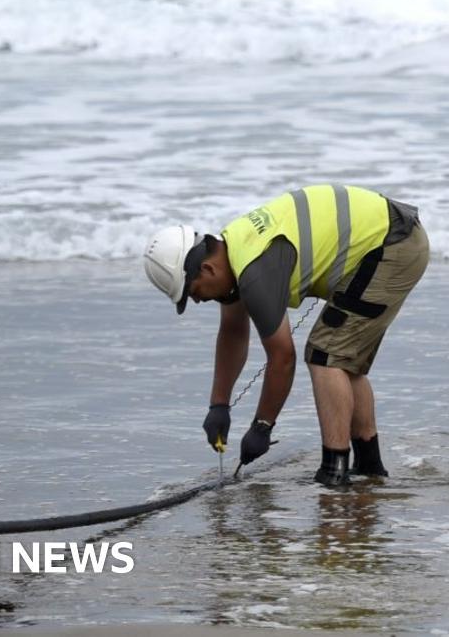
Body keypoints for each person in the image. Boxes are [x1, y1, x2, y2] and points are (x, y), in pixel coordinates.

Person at [143, 184, 428, 486]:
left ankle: (335, 472)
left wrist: (262, 426)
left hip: (393, 245)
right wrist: (219, 406)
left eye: (193, 292)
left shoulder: (254, 271)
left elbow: (282, 358)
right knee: (341, 359)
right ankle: (369, 468)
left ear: (207, 268)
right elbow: (233, 332)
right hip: (390, 238)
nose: (198, 301)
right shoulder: (234, 250)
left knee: (325, 356)